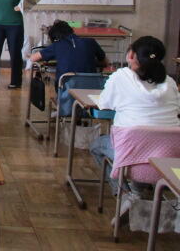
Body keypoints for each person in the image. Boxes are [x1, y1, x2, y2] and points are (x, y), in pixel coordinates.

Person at [89, 36, 180, 196]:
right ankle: (140, 191)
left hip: (129, 161)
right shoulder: (170, 82)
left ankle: (126, 194)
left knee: (97, 145)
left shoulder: (121, 76)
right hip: (169, 164)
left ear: (131, 55)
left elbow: (103, 104)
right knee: (145, 144)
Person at [30, 20, 108, 85]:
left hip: (66, 88)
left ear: (56, 37)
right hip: (91, 86)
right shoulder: (91, 42)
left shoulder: (57, 45)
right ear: (71, 30)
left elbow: (33, 58)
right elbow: (105, 62)